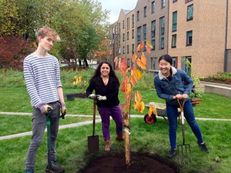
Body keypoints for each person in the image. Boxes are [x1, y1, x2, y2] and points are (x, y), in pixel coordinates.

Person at [23, 26, 66, 173]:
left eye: (53, 41)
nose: (51, 43)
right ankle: (29, 169)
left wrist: (63, 103)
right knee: (37, 140)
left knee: (52, 138)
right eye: (49, 40)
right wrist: (41, 104)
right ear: (40, 38)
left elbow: (58, 84)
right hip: (39, 107)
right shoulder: (29, 61)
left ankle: (51, 165)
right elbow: (30, 86)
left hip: (55, 105)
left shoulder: (54, 60)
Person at [154, 54, 209, 159]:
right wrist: (172, 97)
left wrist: (186, 93)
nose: (163, 67)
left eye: (165, 64)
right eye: (161, 64)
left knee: (192, 122)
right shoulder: (157, 79)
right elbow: (160, 94)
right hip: (171, 104)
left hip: (184, 101)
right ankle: (173, 148)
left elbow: (190, 82)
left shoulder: (180, 73)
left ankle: (201, 142)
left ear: (170, 64)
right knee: (172, 126)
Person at [86, 61, 123, 152]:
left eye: (107, 68)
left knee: (120, 122)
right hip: (103, 107)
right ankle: (107, 142)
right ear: (100, 69)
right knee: (105, 124)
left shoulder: (114, 80)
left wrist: (105, 97)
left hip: (114, 105)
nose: (105, 69)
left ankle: (119, 135)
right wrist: (90, 95)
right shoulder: (95, 80)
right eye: (103, 68)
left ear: (110, 70)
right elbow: (88, 90)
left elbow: (115, 93)